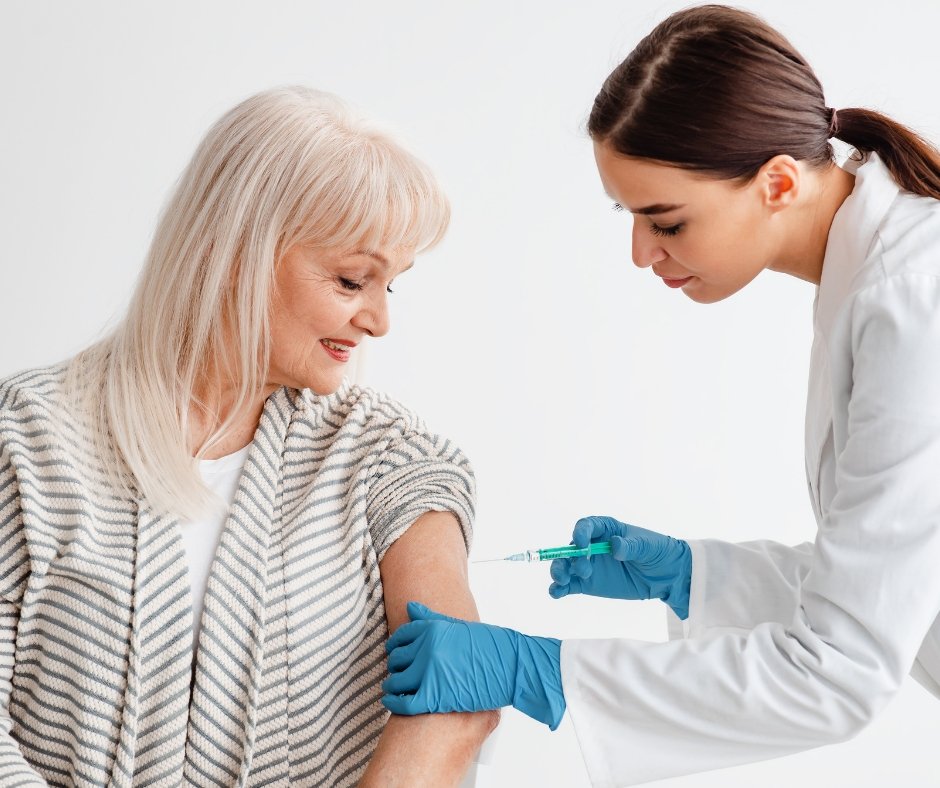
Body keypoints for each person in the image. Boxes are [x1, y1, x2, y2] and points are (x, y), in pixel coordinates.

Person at [381, 5, 940, 785]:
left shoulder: (916, 299)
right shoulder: (887, 276)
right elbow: (898, 580)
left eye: (666, 221)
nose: (642, 252)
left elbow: (839, 671)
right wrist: (695, 576)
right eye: (632, 217)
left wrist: (545, 670)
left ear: (777, 182)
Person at [0, 86, 497, 786]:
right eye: (354, 280)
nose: (378, 321)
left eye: (392, 286)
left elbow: (458, 704)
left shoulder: (391, 462)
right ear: (234, 251)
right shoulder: (27, 435)